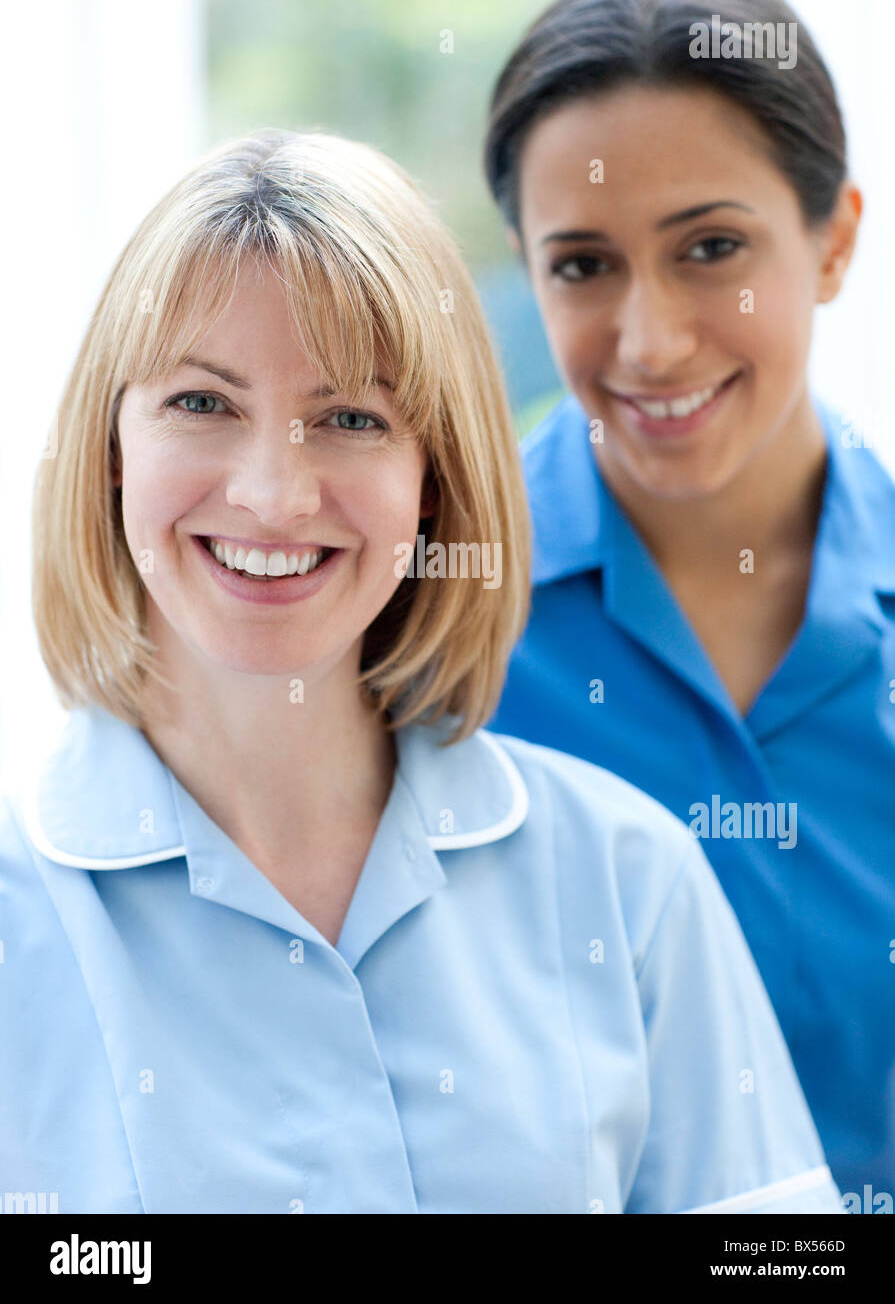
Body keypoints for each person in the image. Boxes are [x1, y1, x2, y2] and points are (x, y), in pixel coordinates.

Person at [0, 128, 843, 1214]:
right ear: (114, 449)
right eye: (202, 404)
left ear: (433, 481)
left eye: (349, 418)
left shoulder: (631, 880)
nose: (272, 493)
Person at [484, 0, 895, 1209]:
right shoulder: (414, 620)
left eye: (711, 248)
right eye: (583, 266)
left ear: (831, 242)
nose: (650, 341)